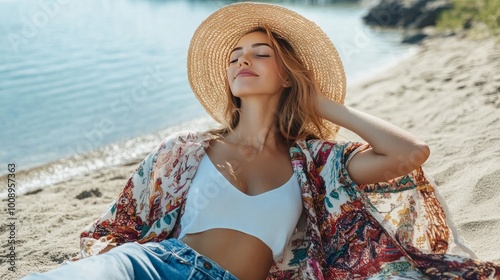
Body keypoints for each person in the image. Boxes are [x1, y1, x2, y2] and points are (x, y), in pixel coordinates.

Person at [24, 2, 500, 280]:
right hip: (152, 266)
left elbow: (408, 154)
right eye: (234, 56)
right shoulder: (184, 152)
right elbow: (118, 225)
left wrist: (322, 104)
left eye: (260, 53)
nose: (241, 61)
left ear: (288, 73)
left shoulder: (317, 164)